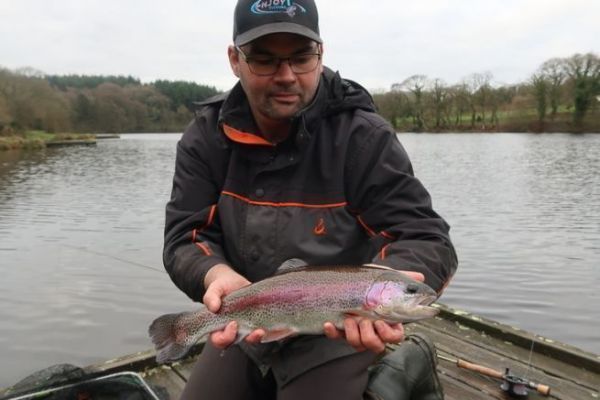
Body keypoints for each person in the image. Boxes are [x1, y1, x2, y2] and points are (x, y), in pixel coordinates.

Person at [163, 0, 458, 398]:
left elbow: (426, 238)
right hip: (248, 315)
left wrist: (394, 274)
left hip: (336, 331)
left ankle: (406, 361)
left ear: (321, 54)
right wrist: (214, 274)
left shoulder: (363, 137)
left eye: (301, 58)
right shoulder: (205, 138)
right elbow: (185, 237)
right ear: (235, 59)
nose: (286, 76)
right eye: (264, 60)